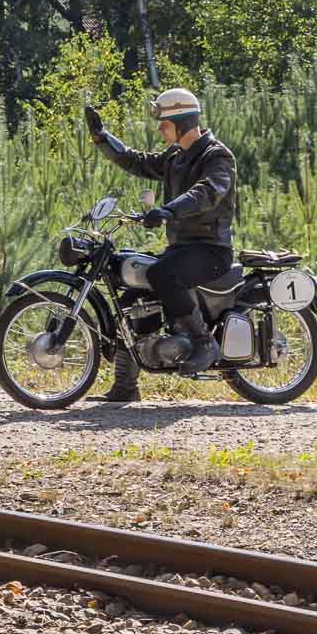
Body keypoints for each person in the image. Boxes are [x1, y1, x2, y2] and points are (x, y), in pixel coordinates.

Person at [83, 87, 238, 400]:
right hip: (182, 249)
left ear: (182, 123)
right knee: (133, 296)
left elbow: (206, 193)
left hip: (211, 251)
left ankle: (204, 343)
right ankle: (126, 386)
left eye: (164, 123)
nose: (159, 129)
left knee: (162, 274)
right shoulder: (176, 156)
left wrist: (168, 210)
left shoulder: (217, 157)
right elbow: (139, 162)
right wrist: (103, 138)